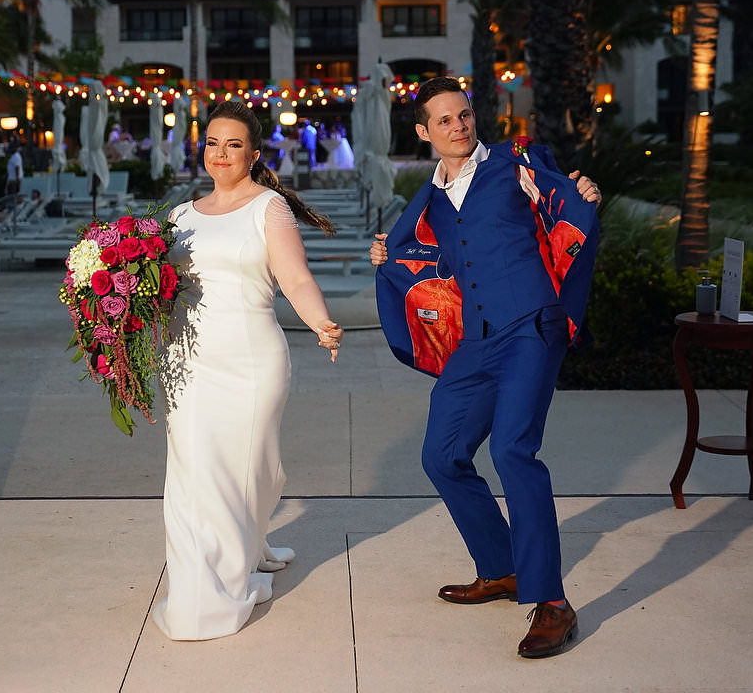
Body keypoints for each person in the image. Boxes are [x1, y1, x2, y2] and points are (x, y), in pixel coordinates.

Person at [369, 77, 601, 659]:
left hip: (530, 325)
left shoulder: (514, 164)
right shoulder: (430, 199)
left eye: (465, 115)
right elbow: (430, 256)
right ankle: (502, 569)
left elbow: (564, 200)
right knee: (441, 456)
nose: (459, 126)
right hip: (476, 340)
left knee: (512, 451)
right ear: (424, 133)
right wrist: (387, 255)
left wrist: (585, 193)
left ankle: (552, 602)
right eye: (444, 120)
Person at [154, 100, 344, 641]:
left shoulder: (269, 208)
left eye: (233, 144)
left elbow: (296, 279)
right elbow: (158, 292)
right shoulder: (177, 218)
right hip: (186, 361)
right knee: (193, 477)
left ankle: (248, 542)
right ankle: (201, 593)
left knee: (251, 467)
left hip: (251, 360)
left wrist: (320, 321)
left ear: (253, 154)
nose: (220, 153)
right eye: (213, 142)